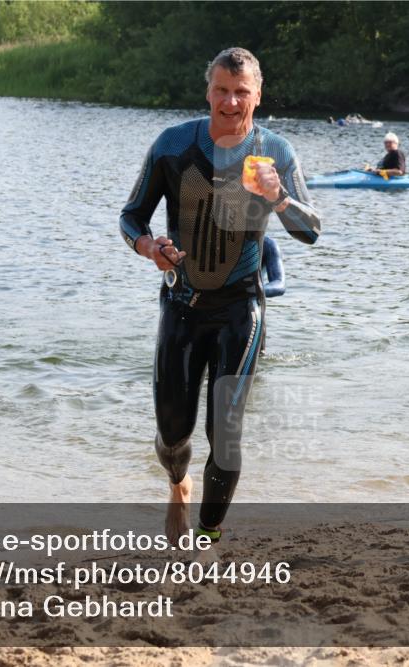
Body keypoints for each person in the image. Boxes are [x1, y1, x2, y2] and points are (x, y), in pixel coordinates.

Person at [119, 47, 321, 543]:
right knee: (172, 436)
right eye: (221, 91)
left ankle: (207, 536)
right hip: (182, 306)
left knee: (226, 436)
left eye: (241, 92)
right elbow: (131, 216)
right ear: (207, 90)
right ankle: (177, 484)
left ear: (257, 94)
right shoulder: (172, 145)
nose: (230, 102)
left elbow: (311, 231)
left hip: (241, 309)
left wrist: (279, 196)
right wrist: (148, 246)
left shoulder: (275, 151)